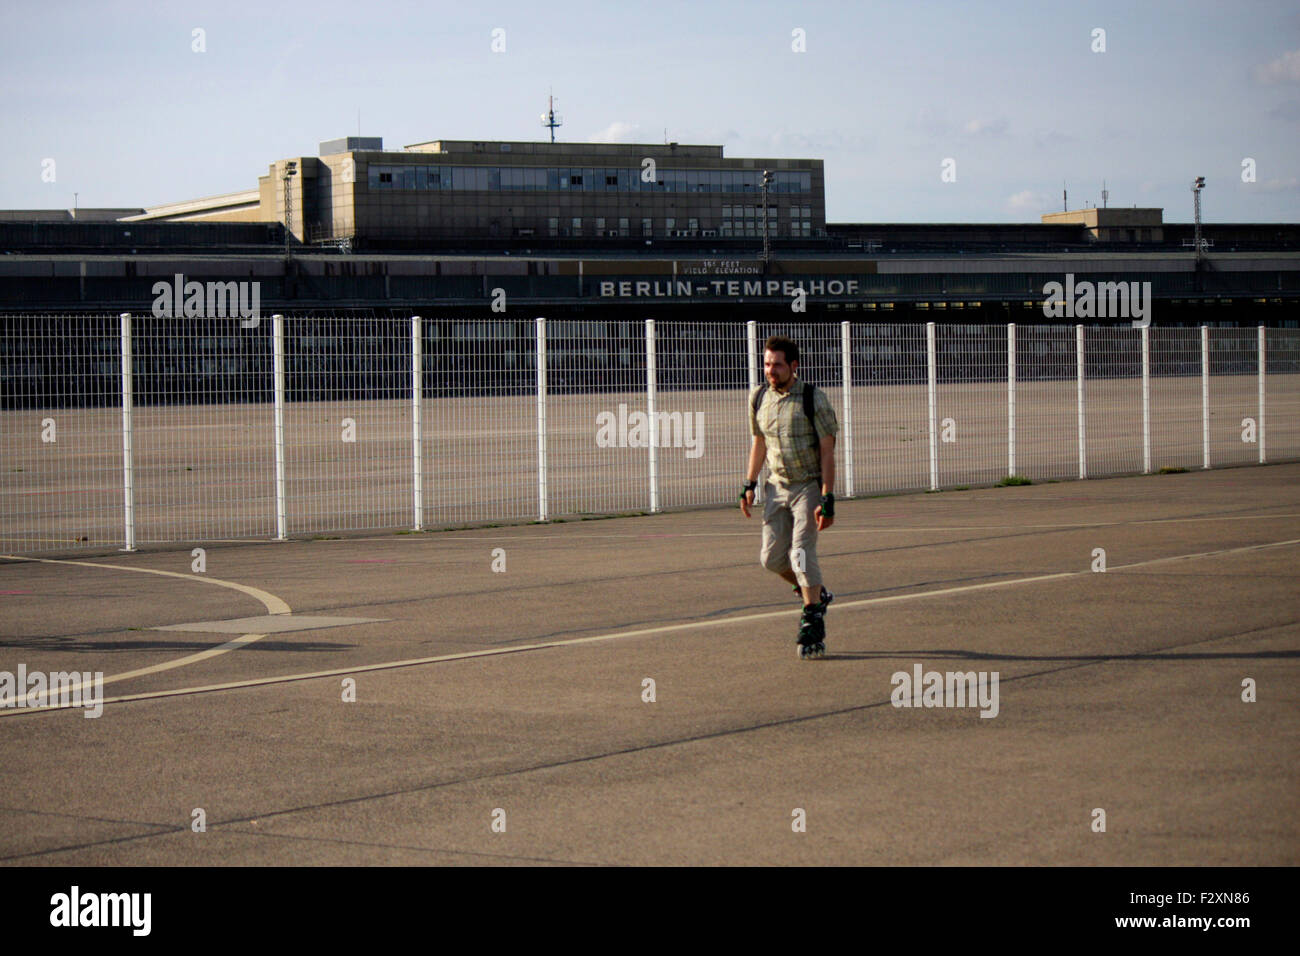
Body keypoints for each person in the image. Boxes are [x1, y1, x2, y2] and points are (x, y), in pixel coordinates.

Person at [739, 335, 839, 659]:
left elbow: (827, 451)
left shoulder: (813, 398)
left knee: (801, 552)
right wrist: (750, 483)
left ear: (793, 366)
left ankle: (812, 620)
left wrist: (827, 498)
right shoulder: (758, 398)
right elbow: (759, 443)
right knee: (771, 559)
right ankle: (812, 593)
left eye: (777, 364)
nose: (771, 370)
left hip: (808, 486)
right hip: (776, 486)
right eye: (767, 364)